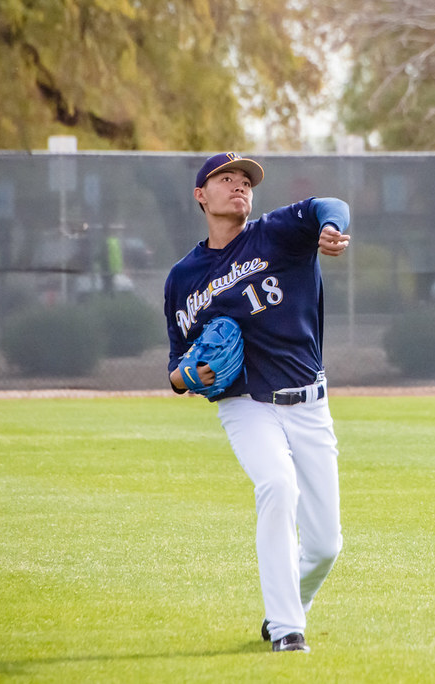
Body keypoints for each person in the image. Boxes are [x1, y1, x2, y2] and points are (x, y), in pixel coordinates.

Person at [164, 153, 351, 653]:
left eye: (245, 180)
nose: (238, 185)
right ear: (201, 195)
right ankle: (288, 629)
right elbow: (177, 366)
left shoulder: (278, 234)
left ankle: (291, 610)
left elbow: (328, 204)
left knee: (326, 545)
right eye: (225, 179)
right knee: (276, 487)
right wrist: (186, 378)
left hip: (310, 402)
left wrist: (331, 226)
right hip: (245, 404)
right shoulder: (183, 278)